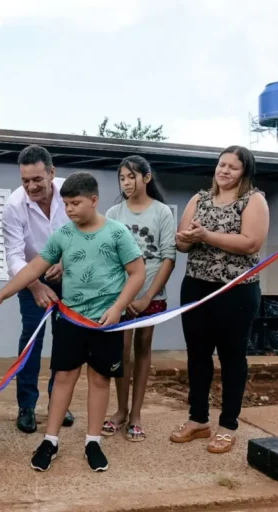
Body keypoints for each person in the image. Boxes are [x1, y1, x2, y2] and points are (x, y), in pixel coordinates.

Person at [0, 172, 145, 473]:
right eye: (65, 204)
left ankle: (93, 441)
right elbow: (33, 269)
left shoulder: (118, 233)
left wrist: (119, 307)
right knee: (63, 377)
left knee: (99, 379)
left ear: (94, 200)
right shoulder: (63, 235)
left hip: (105, 322)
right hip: (70, 319)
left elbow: (137, 273)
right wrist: (0, 295)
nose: (69, 210)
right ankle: (50, 440)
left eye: (76, 203)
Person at [171, 145, 268, 454]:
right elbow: (182, 241)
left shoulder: (254, 200)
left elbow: (251, 243)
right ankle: (198, 419)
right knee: (197, 355)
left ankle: (228, 425)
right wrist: (184, 239)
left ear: (245, 172)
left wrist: (205, 236)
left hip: (235, 292)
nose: (224, 170)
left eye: (233, 167)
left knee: (231, 358)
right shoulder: (198, 199)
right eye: (221, 164)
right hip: (196, 288)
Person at [102, 156, 177, 442]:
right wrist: (121, 298)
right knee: (121, 352)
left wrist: (148, 295)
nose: (126, 183)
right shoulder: (112, 213)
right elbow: (108, 258)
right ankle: (119, 411)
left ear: (146, 178)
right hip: (121, 299)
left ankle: (136, 414)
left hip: (151, 296)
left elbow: (168, 257)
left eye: (131, 177)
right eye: (121, 178)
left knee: (143, 349)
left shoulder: (162, 213)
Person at [2, 145, 74, 433]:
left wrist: (67, 266)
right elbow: (13, 255)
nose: (31, 186)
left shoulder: (71, 192)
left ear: (52, 173)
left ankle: (59, 402)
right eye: (25, 181)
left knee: (66, 341)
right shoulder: (13, 205)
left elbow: (86, 233)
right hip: (30, 277)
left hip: (70, 276)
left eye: (37, 180)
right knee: (32, 341)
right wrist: (34, 285)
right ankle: (26, 406)